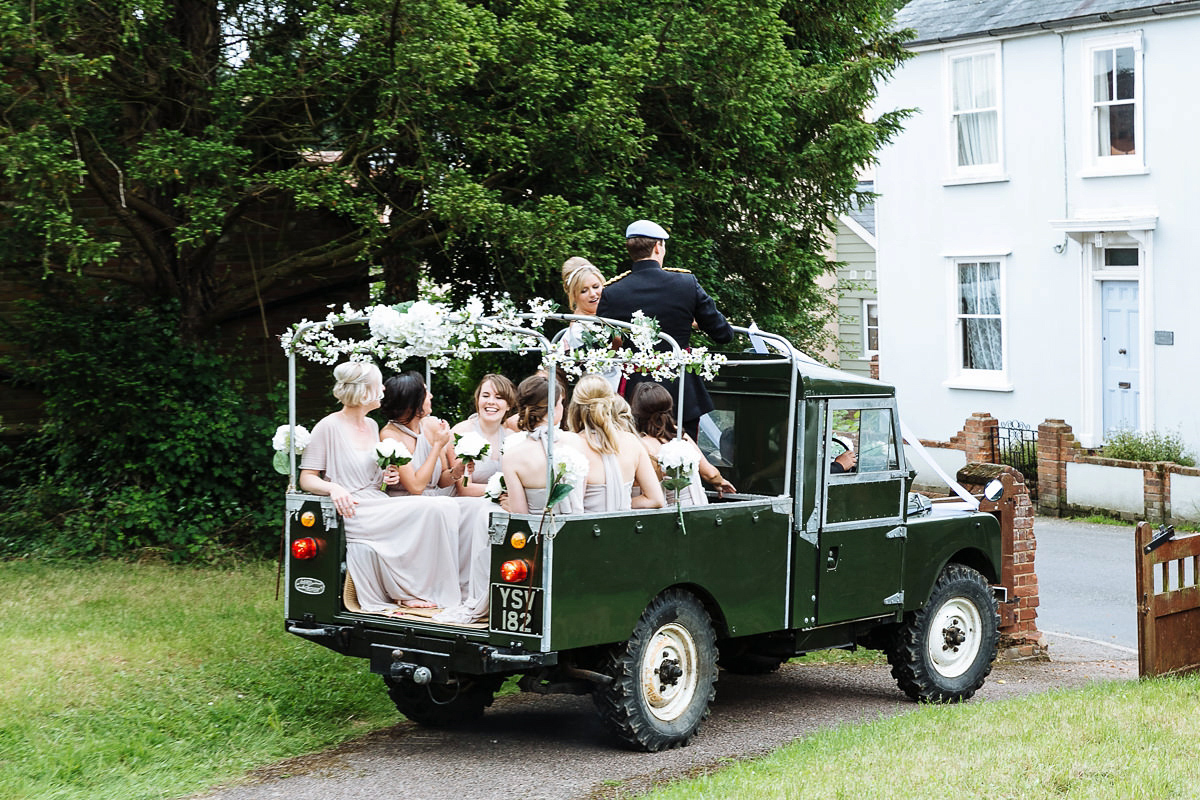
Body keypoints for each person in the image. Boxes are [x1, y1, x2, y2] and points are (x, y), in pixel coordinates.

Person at [298, 362, 461, 613]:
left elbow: (377, 477)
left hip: (377, 500)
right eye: (378, 384)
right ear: (364, 392)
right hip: (352, 507)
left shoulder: (372, 426)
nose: (384, 388)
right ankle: (409, 591)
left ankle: (426, 586)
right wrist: (334, 489)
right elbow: (307, 478)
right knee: (431, 507)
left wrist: (388, 476)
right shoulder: (328, 426)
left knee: (442, 505)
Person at [596, 219, 735, 440]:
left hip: (635, 390)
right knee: (684, 455)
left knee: (637, 450)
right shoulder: (686, 283)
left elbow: (601, 345)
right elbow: (723, 334)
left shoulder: (613, 292)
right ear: (658, 247)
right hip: (681, 389)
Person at [381, 371, 492, 624]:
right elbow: (417, 486)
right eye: (425, 392)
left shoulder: (431, 425)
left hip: (437, 499)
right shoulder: (390, 436)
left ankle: (469, 587)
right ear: (414, 402)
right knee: (442, 506)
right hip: (406, 504)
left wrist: (459, 469)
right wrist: (438, 446)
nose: (431, 395)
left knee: (479, 508)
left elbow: (442, 478)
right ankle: (436, 589)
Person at [567, 374, 665, 512]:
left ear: (575, 407)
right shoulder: (631, 441)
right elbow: (656, 500)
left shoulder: (572, 444)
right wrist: (622, 504)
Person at [630, 381, 736, 504]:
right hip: (696, 507)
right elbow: (710, 474)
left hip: (666, 512)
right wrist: (720, 482)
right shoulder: (679, 434)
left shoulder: (640, 444)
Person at [501, 374, 587, 515]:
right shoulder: (575, 442)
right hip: (574, 530)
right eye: (560, 402)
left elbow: (520, 515)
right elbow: (580, 495)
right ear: (551, 408)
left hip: (536, 533)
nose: (562, 407)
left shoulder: (511, 457)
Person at [449, 373, 516, 498]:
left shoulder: (512, 438)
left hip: (504, 503)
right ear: (477, 400)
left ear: (508, 405)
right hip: (469, 504)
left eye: (499, 397)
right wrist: (507, 490)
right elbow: (464, 489)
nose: (491, 402)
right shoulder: (461, 432)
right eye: (485, 396)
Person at [561, 257, 622, 390]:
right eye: (584, 291)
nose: (593, 294)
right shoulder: (579, 328)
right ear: (574, 296)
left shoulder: (605, 317)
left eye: (596, 287)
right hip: (599, 391)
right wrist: (616, 344)